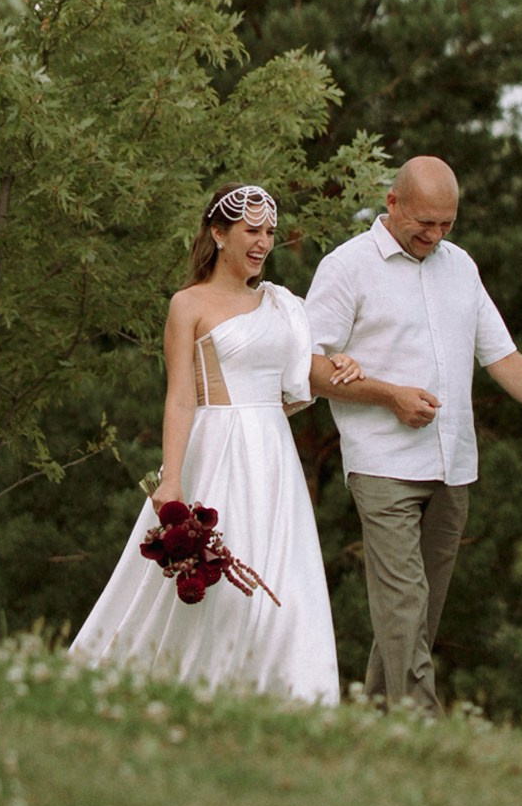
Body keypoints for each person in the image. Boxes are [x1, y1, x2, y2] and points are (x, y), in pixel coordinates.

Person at [306, 155, 522, 714]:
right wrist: (389, 394)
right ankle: (424, 729)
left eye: (447, 225)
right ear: (392, 203)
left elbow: (503, 357)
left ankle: (379, 724)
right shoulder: (347, 267)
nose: (435, 236)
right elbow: (308, 367)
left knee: (417, 615)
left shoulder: (460, 266)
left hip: (452, 464)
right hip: (382, 464)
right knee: (404, 604)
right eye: (424, 224)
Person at [71, 186, 358, 704]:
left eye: (270, 232)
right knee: (220, 591)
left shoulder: (281, 305)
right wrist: (173, 479)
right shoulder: (189, 304)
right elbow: (181, 398)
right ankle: (196, 690)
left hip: (273, 457)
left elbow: (303, 379)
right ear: (219, 233)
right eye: (252, 231)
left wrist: (345, 366)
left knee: (286, 588)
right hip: (217, 449)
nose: (263, 242)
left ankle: (293, 700)